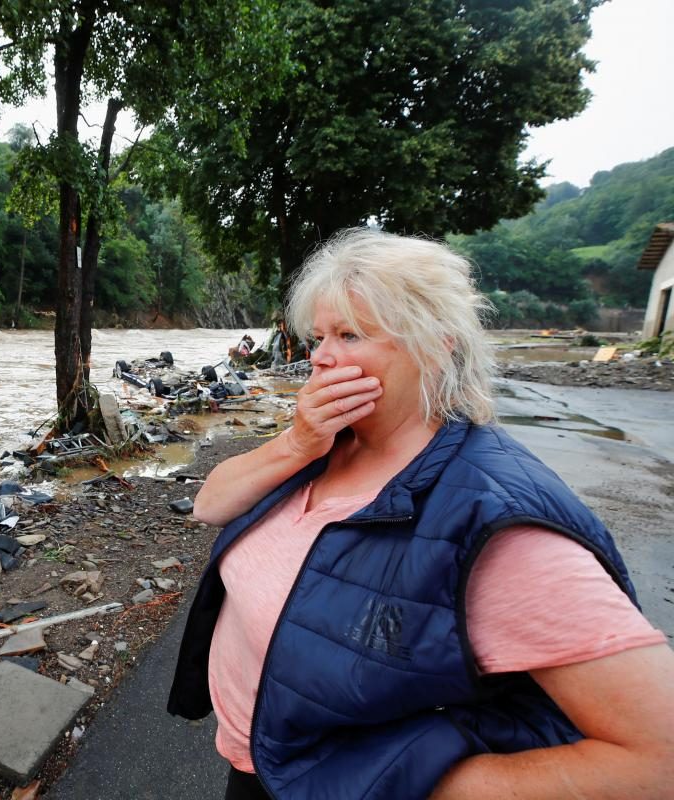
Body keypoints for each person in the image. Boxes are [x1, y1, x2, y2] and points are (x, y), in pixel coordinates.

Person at [167, 228, 674, 800]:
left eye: (350, 335)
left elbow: (659, 760)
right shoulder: (329, 442)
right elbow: (209, 506)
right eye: (319, 337)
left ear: (437, 345)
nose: (320, 357)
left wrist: (402, 783)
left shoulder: (499, 523)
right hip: (266, 763)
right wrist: (296, 444)